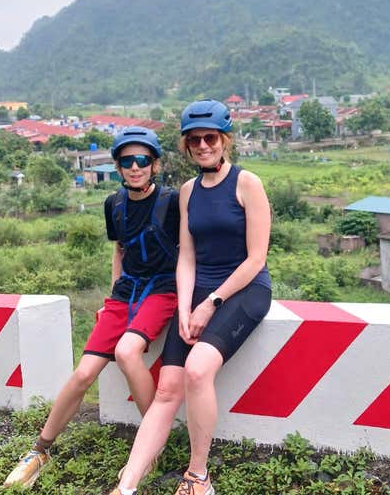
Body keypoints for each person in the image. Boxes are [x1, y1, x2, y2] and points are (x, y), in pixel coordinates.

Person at [110, 100, 272, 495]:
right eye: (194, 140)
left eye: (210, 138)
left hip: (244, 290)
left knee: (198, 370)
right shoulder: (187, 192)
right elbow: (186, 256)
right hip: (198, 292)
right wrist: (184, 306)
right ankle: (126, 485)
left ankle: (198, 476)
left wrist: (210, 302)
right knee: (167, 388)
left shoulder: (246, 183)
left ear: (224, 140)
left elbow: (256, 259)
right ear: (186, 146)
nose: (202, 145)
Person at [4, 126, 180, 488]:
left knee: (128, 352)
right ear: (117, 167)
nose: (135, 167)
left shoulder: (171, 202)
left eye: (142, 160)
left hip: (162, 291)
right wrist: (113, 295)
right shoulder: (113, 204)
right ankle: (39, 451)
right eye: (127, 161)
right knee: (83, 373)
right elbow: (120, 249)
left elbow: (190, 250)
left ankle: (152, 446)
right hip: (124, 295)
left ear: (155, 165)